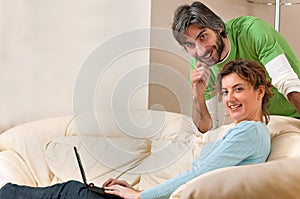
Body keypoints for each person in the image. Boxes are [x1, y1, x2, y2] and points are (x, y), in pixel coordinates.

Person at [0, 59, 273, 198]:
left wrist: (141, 196)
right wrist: (130, 189)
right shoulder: (251, 133)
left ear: (260, 92)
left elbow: (198, 174)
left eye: (238, 89)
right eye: (225, 92)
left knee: (73, 192)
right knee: (79, 191)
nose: (230, 99)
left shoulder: (248, 132)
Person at [171, 1, 300, 133]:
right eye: (190, 45)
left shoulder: (252, 31)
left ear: (218, 28)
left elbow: (287, 83)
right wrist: (198, 95)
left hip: (294, 116)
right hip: (260, 125)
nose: (201, 50)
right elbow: (209, 128)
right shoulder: (199, 65)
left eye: (203, 37)